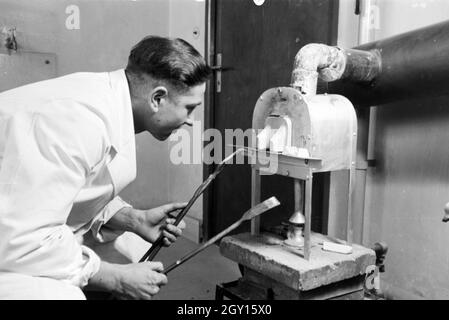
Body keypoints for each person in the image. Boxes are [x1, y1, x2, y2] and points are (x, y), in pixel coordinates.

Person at [0, 36, 211, 300]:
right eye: (189, 108)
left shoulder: (110, 101)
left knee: (130, 249)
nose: (191, 121)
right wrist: (115, 279)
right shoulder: (76, 121)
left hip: (20, 224)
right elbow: (25, 240)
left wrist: (134, 219)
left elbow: (75, 188)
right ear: (158, 98)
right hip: (15, 242)